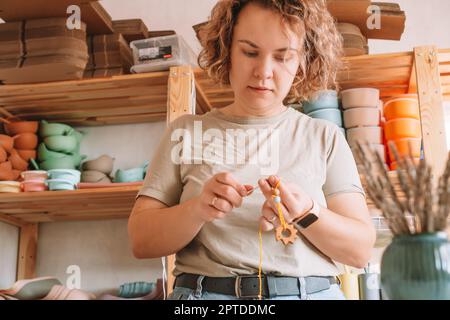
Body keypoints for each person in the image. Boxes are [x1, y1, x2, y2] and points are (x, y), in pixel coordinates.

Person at [128, 0, 376, 300]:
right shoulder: (186, 132)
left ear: (302, 62)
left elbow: (360, 252)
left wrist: (307, 212)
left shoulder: (324, 137)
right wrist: (198, 209)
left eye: (283, 57)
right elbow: (141, 241)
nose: (264, 72)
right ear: (227, 50)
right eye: (250, 52)